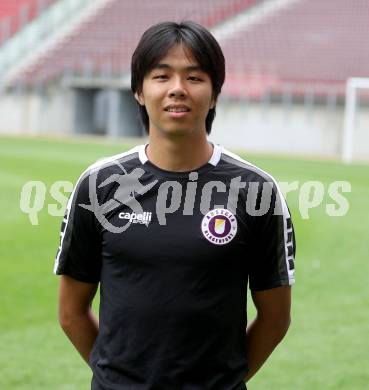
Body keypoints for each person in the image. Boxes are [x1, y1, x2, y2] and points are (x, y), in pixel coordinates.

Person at [54, 21, 296, 390]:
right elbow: (71, 312)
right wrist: (115, 378)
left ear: (214, 93)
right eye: (162, 76)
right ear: (139, 90)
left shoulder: (256, 191)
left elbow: (275, 318)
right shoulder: (100, 185)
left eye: (195, 78)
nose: (177, 90)